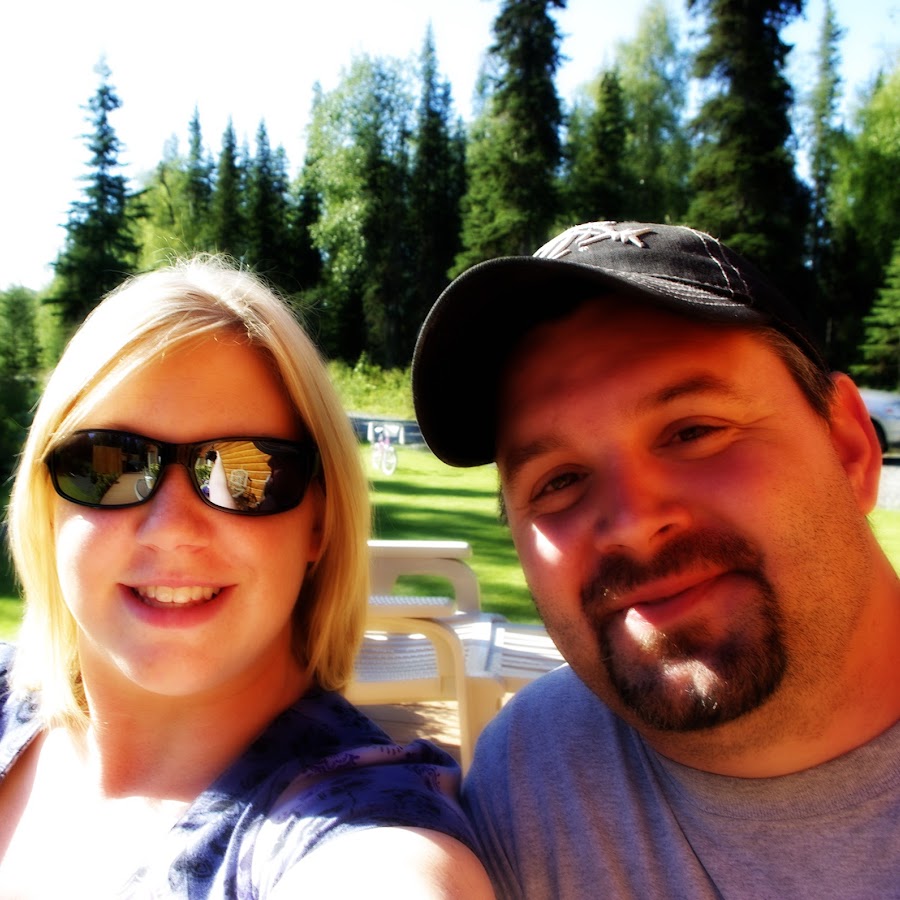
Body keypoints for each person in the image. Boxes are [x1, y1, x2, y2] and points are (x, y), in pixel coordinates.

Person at [411, 220, 900, 898]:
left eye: (694, 431)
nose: (633, 525)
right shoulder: (529, 774)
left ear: (850, 448)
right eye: (559, 480)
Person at [0, 257, 494, 898]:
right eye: (111, 464)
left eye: (247, 472)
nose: (172, 529)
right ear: (47, 501)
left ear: (319, 522)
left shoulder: (363, 827)